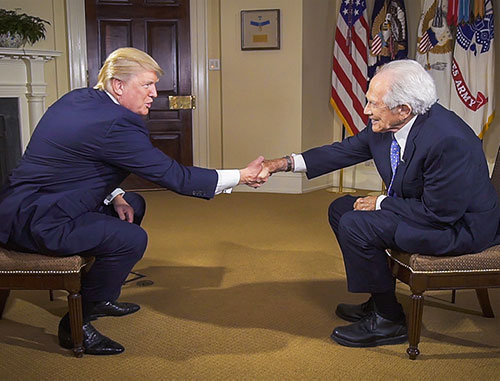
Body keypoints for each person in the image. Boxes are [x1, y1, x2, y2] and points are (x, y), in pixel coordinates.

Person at [0, 47, 266, 355]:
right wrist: (243, 176)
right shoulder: (116, 124)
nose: (155, 93)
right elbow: (176, 176)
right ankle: (77, 321)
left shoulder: (79, 99)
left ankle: (102, 294)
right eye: (147, 85)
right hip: (37, 222)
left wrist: (116, 195)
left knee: (133, 204)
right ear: (118, 85)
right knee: (131, 239)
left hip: (25, 205)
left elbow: (78, 163)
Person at [259, 59, 500, 348]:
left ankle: (389, 320)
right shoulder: (389, 124)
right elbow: (342, 151)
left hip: (459, 228)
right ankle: (379, 300)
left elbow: (440, 213)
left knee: (356, 225)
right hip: (430, 210)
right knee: (340, 209)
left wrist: (382, 203)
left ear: (404, 109)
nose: (366, 110)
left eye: (374, 103)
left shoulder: (448, 140)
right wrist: (282, 164)